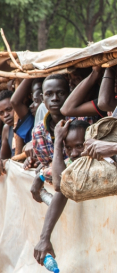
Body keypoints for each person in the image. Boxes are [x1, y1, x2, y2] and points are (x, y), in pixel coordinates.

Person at [34, 119, 89, 265]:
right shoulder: (74, 162)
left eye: (79, 146)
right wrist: (44, 238)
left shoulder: (100, 158)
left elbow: (59, 185)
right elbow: (61, 184)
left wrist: (58, 140)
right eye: (68, 148)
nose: (74, 153)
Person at [30, 74, 70, 202]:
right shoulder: (38, 132)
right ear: (42, 98)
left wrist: (42, 175)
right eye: (49, 94)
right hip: (60, 192)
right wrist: (46, 171)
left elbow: (77, 164)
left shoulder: (80, 122)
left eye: (61, 93)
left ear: (69, 94)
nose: (55, 99)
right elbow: (50, 169)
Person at [10, 78, 43, 144]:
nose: (31, 106)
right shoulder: (31, 121)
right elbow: (15, 102)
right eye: (34, 100)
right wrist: (32, 75)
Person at [0, 90, 18, 160]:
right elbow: (3, 157)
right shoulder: (6, 128)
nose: (6, 115)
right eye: (1, 113)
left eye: (9, 109)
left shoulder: (26, 121)